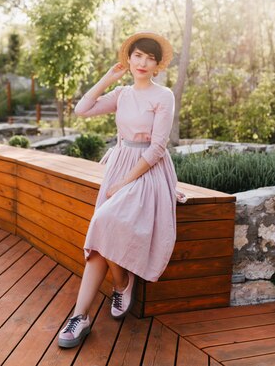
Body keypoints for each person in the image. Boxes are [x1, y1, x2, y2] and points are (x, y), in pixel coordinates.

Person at [57, 31, 186, 349]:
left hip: (147, 170)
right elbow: (82, 110)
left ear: (157, 66)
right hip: (120, 162)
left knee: (103, 222)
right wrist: (107, 77)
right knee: (102, 235)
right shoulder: (122, 94)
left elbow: (157, 148)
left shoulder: (163, 95)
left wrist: (124, 182)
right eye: (137, 56)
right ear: (129, 59)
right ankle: (83, 314)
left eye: (150, 58)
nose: (143, 63)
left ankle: (122, 282)